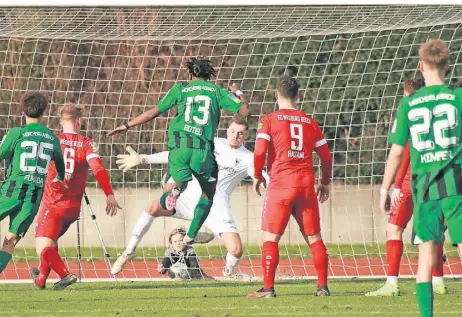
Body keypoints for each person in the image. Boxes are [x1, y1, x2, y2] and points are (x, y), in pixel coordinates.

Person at [380, 39, 462, 317]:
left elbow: (396, 152)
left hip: (424, 188)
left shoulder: (408, 104)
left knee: (427, 253)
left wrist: (385, 188)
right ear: (447, 65)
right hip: (458, 185)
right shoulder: (461, 97)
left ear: (421, 66)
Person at [108, 57, 249, 244]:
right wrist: (238, 93)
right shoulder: (218, 91)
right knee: (208, 194)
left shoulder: (180, 88)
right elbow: (245, 111)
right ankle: (190, 235)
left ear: (191, 74)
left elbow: (153, 112)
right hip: (202, 151)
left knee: (177, 185)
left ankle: (173, 193)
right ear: (209, 76)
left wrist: (127, 125)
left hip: (179, 148)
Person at [111, 116, 268, 279]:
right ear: (227, 130)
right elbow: (176, 154)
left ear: (247, 135)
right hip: (187, 199)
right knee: (152, 206)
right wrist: (143, 158)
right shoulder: (210, 142)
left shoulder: (249, 158)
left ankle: (230, 272)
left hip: (215, 207)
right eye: (233, 131)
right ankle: (129, 252)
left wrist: (275, 188)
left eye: (241, 133)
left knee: (236, 250)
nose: (236, 136)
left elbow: (262, 178)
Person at [249, 75, 333, 298]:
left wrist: (257, 175)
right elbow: (326, 157)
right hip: (306, 185)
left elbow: (259, 151)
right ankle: (322, 287)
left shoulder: (269, 119)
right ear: (299, 96)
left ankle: (268, 288)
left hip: (281, 185)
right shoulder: (310, 121)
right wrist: (324, 182)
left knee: (271, 238)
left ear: (276, 95)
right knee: (314, 238)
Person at [367, 78, 447, 296]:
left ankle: (391, 284)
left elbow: (403, 152)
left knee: (394, 229)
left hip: (410, 181)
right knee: (433, 231)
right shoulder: (440, 111)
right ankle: (438, 282)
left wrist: (395, 185)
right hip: (436, 179)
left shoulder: (409, 112)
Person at [0, 92, 66, 292]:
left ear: (23, 110)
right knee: (11, 241)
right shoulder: (52, 138)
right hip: (33, 198)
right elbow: (60, 166)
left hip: (12, 189)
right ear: (43, 112)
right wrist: (59, 178)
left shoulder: (16, 132)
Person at [30, 104, 121, 290]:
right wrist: (109, 194)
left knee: (42, 247)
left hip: (53, 204)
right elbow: (98, 169)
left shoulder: (51, 139)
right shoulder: (88, 143)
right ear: (79, 120)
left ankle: (65, 274)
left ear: (60, 121)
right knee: (51, 242)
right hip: (72, 209)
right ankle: (41, 279)